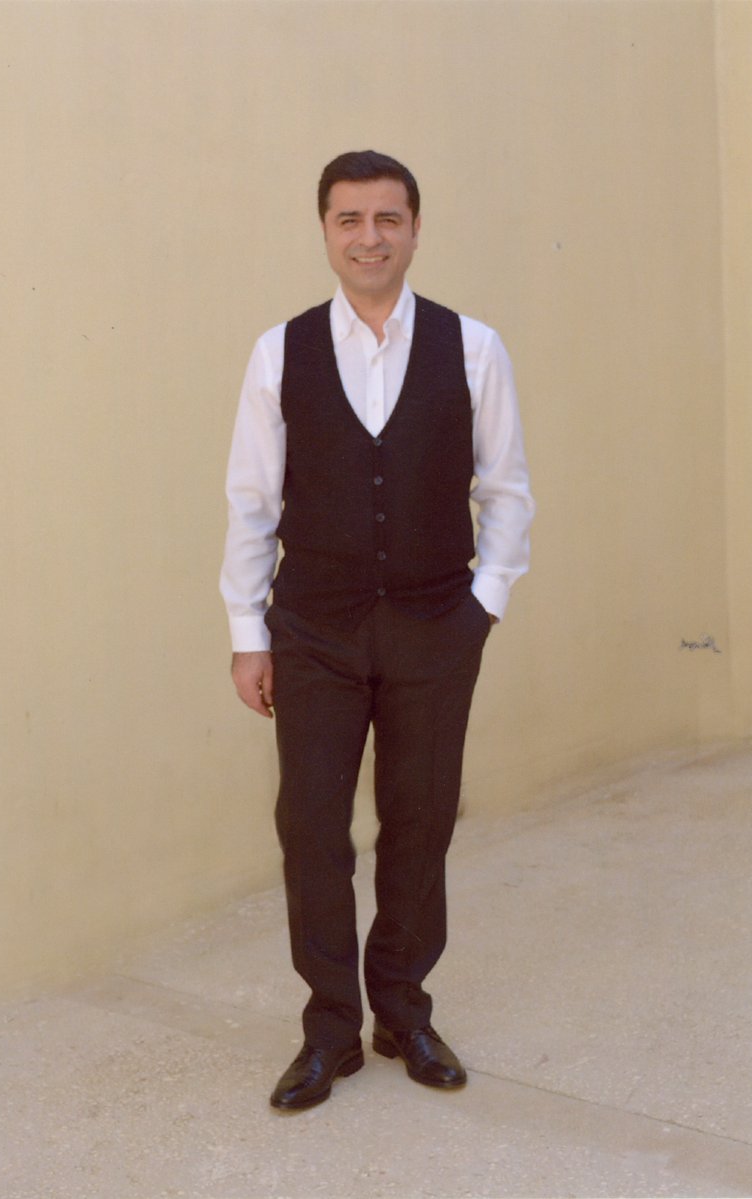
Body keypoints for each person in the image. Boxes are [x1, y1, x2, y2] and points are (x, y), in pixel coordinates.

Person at [220, 150, 534, 1111]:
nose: (369, 237)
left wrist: (481, 605)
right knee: (310, 826)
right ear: (325, 230)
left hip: (436, 625)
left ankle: (401, 1010)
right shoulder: (279, 352)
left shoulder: (471, 346)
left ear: (414, 228)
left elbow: (506, 489)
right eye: (349, 219)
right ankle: (329, 1029)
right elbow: (251, 500)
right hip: (313, 627)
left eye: (387, 218)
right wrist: (247, 631)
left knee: (420, 818)